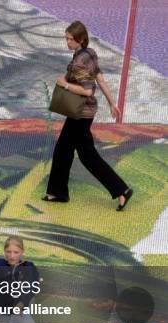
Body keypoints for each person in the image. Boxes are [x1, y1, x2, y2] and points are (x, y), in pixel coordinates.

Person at [44, 20, 133, 211]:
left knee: (85, 155)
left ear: (80, 39)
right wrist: (112, 102)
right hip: (85, 112)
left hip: (80, 113)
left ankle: (121, 190)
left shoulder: (79, 62)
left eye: (69, 39)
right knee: (66, 151)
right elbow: (99, 77)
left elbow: (87, 91)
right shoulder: (89, 53)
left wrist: (64, 84)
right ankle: (58, 192)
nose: (66, 42)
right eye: (66, 38)